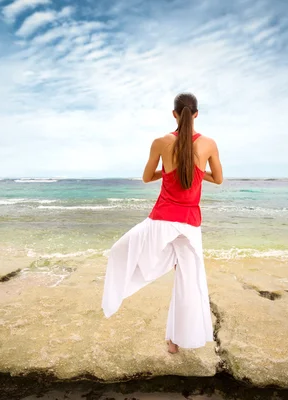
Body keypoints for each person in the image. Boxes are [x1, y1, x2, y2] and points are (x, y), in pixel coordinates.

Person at [101, 92, 223, 354]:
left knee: (119, 252)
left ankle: (115, 299)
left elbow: (147, 177)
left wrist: (170, 170)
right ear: (197, 115)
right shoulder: (209, 144)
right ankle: (176, 343)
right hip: (190, 223)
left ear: (174, 114)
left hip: (163, 219)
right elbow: (219, 179)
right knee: (189, 282)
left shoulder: (160, 142)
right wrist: (196, 173)